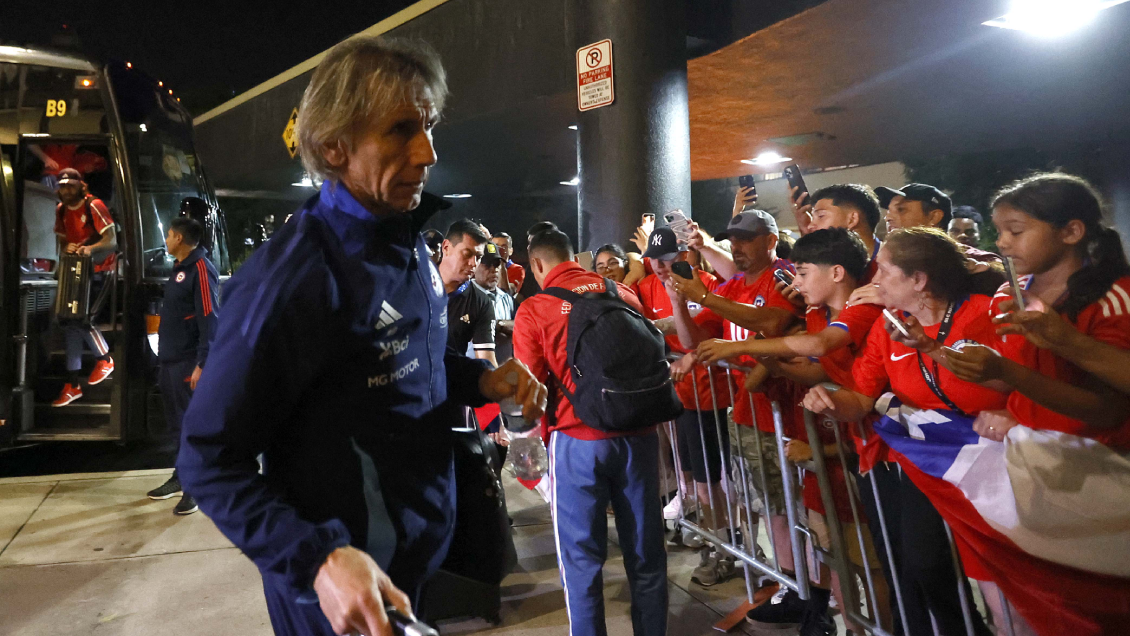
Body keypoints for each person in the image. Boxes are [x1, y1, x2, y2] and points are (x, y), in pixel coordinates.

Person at [176, 37, 547, 636]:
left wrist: (479, 379)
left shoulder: (405, 243)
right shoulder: (292, 279)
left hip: (413, 574)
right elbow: (208, 461)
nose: (427, 152)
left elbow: (393, 361)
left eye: (427, 126)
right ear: (334, 148)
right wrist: (317, 561)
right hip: (342, 603)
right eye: (401, 130)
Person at [803, 227, 1009, 636]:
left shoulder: (985, 313)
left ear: (919, 280)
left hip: (996, 460)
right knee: (923, 562)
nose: (874, 282)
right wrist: (828, 401)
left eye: (884, 271)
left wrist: (1010, 410)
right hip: (929, 461)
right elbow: (860, 399)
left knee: (998, 571)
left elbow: (1026, 377)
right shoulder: (888, 326)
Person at [696, 228, 890, 634]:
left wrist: (736, 348)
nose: (794, 284)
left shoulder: (862, 311)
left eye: (801, 273)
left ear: (837, 272)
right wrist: (771, 354)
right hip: (842, 447)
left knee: (876, 565)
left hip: (876, 452)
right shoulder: (817, 312)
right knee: (841, 554)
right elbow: (815, 367)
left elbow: (820, 347)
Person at [514, 229, 667, 636]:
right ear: (574, 257)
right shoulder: (622, 293)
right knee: (647, 554)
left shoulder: (535, 308)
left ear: (537, 265)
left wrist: (528, 465)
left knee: (580, 562)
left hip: (576, 443)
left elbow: (527, 391)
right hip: (639, 435)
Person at [666, 210, 805, 629]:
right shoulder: (731, 286)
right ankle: (787, 582)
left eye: (747, 239)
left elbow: (774, 322)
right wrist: (678, 298)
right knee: (763, 504)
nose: (739, 247)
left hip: (784, 415)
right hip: (746, 414)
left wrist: (705, 298)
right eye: (734, 240)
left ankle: (802, 587)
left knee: (789, 509)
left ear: (771, 240)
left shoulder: (781, 277)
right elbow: (693, 339)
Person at [946, 173, 1130, 444]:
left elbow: (1107, 411)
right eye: (999, 232)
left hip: (1099, 455)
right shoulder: (1010, 293)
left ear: (1070, 232)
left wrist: (1009, 370)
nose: (1001, 242)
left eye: (1016, 231)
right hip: (1030, 448)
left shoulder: (1113, 298)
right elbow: (1020, 382)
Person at [635, 227, 735, 586]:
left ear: (683, 256)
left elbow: (698, 340)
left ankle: (724, 549)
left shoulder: (706, 284)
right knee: (691, 478)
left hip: (708, 396)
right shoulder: (646, 288)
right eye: (654, 259)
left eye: (667, 259)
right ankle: (713, 539)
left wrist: (677, 311)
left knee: (712, 482)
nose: (661, 267)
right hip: (677, 397)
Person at [145, 216, 220, 516]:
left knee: (191, 427)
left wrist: (203, 364)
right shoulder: (180, 267)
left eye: (168, 234)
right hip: (171, 360)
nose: (166, 239)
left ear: (178, 238)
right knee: (177, 426)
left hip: (189, 362)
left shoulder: (200, 269)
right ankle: (181, 477)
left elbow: (209, 318)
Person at [51, 168, 117, 407]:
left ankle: (105, 358)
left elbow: (111, 240)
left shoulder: (94, 205)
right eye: (63, 186)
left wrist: (90, 249)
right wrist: (67, 246)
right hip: (75, 270)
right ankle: (72, 384)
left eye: (70, 186)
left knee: (82, 319)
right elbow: (62, 240)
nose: (66, 190)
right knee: (69, 321)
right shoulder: (60, 210)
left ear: (81, 186)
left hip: (100, 269)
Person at [441, 219, 497, 365]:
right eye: (467, 254)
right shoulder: (416, 285)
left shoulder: (481, 302)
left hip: (451, 383)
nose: (473, 263)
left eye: (478, 257)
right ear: (446, 247)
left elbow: (487, 360)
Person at [491, 232, 525, 298]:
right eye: (496, 246)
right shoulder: (486, 267)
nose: (499, 250)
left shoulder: (517, 269)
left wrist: (501, 262)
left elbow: (505, 292)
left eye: (503, 247)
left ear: (510, 251)